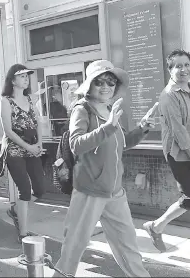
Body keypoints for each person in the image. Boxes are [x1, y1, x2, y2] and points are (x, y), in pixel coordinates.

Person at [52, 60, 156, 277]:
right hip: (90, 190)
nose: (106, 86)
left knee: (128, 246)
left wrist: (142, 130)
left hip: (115, 191)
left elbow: (121, 143)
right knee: (74, 246)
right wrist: (108, 127)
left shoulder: (110, 109)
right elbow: (76, 144)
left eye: (111, 81)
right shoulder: (82, 110)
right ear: (89, 85)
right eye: (100, 82)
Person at [143, 49, 190, 256]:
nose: (184, 69)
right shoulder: (168, 95)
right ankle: (156, 226)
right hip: (180, 154)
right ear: (170, 69)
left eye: (187, 64)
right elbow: (179, 131)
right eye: (178, 66)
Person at [0, 64, 45, 243]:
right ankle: (23, 233)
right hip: (15, 150)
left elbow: (37, 123)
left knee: (40, 189)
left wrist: (39, 144)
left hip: (33, 149)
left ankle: (15, 210)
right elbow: (8, 131)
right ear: (12, 80)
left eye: (27, 76)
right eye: (22, 76)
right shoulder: (5, 101)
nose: (26, 79)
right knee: (25, 190)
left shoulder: (30, 100)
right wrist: (28, 146)